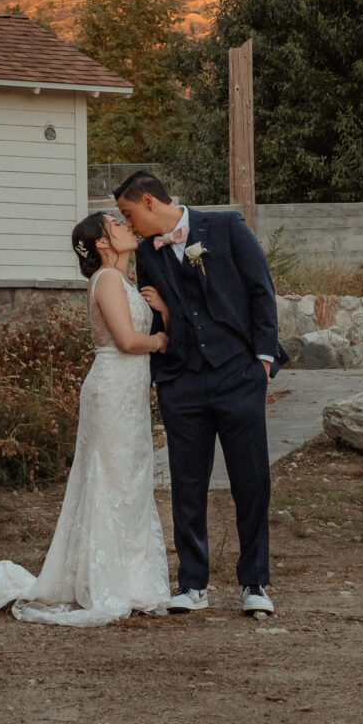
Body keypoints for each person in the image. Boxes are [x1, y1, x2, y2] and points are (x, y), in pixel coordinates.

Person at [0, 208, 176, 625]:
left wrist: (164, 312)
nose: (126, 226)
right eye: (116, 224)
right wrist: (161, 339)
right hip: (112, 388)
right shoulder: (109, 280)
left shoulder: (123, 281)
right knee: (110, 479)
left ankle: (132, 579)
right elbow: (126, 340)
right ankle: (108, 582)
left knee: (130, 480)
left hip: (128, 392)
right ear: (102, 242)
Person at [116, 169, 281, 616]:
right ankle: (192, 584)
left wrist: (263, 362)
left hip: (238, 374)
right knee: (187, 484)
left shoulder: (226, 227)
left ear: (149, 201)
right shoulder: (149, 252)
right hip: (182, 381)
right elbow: (161, 312)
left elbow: (261, 293)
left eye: (129, 215)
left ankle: (254, 583)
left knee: (251, 482)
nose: (129, 226)